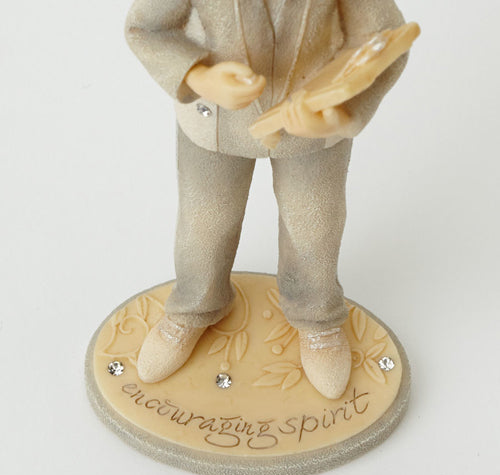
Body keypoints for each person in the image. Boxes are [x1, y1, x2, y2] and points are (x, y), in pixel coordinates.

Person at [125, 0, 408, 399]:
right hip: (214, 122)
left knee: (314, 224)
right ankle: (193, 304)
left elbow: (383, 39)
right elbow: (146, 28)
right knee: (204, 223)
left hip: (312, 126)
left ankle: (317, 316)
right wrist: (199, 77)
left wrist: (340, 113)